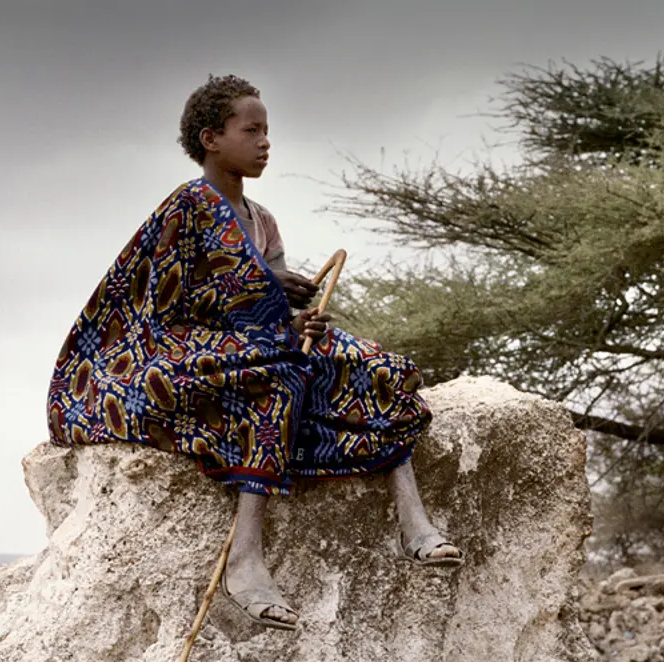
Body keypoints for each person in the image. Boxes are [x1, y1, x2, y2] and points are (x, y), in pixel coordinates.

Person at [46, 74, 463, 632]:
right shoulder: (189, 206)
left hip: (252, 345)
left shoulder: (261, 219)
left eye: (268, 131)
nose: (265, 142)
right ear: (211, 138)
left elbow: (265, 312)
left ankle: (414, 523)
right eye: (252, 130)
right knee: (280, 377)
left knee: (378, 369)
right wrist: (272, 294)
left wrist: (297, 318)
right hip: (171, 351)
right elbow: (169, 302)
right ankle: (245, 560)